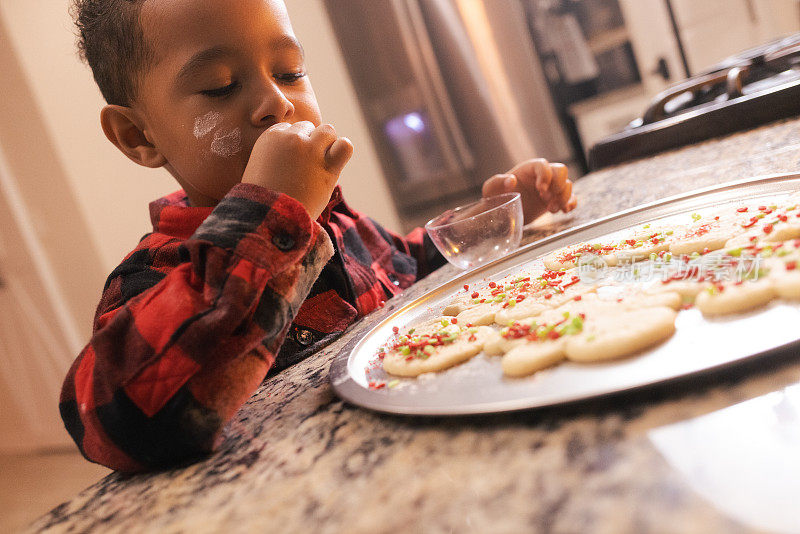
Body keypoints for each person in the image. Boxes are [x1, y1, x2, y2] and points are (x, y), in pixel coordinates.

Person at [60, 0, 577, 472]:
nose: (276, 103)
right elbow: (111, 417)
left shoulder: (335, 222)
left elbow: (411, 269)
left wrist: (495, 217)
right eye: (220, 86)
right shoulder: (155, 276)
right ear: (139, 136)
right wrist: (270, 218)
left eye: (290, 72)